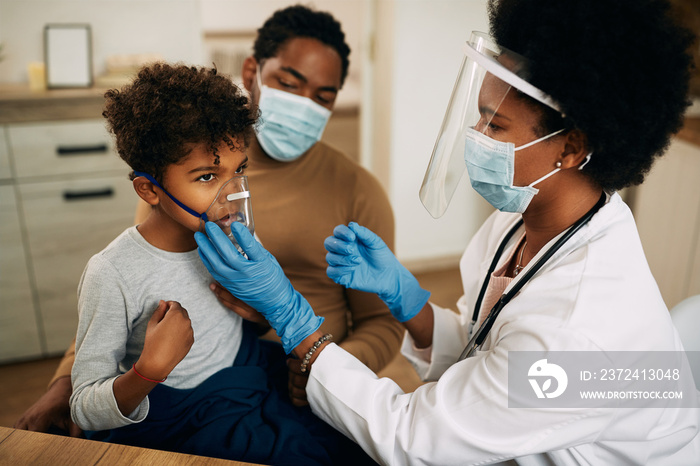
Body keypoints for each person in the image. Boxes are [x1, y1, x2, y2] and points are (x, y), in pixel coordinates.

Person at [195, 0, 700, 464]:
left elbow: (411, 438)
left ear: (571, 148)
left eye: (495, 126)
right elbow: (489, 353)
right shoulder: (524, 221)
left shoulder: (578, 334)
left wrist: (292, 317)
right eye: (479, 117)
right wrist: (411, 302)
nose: (475, 139)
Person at [15, 4, 402, 435]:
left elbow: (382, 322)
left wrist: (327, 367)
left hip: (293, 368)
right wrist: (64, 383)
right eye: (289, 84)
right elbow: (124, 300)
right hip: (193, 396)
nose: (232, 194)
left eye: (323, 97)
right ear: (252, 71)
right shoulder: (177, 193)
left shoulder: (358, 190)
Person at [66, 62, 370, 465]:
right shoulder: (113, 273)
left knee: (355, 444)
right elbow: (84, 405)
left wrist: (257, 318)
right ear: (149, 189)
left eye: (239, 170)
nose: (234, 195)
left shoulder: (234, 237)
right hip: (179, 418)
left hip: (249, 377)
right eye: (208, 177)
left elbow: (245, 322)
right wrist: (148, 370)